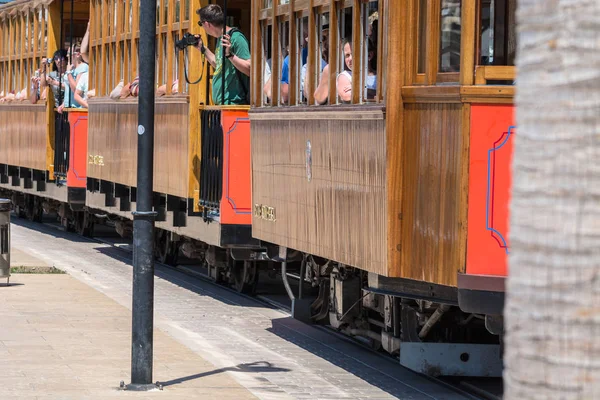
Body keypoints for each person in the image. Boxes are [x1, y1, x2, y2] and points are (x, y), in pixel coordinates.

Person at [194, 4, 251, 105]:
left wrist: (230, 56)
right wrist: (203, 48)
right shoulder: (221, 38)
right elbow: (219, 65)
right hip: (222, 105)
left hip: (234, 105)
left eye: (200, 23)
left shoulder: (236, 38)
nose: (202, 27)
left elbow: (250, 69)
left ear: (207, 24)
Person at [336, 38, 377, 103]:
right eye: (347, 55)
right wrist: (376, 93)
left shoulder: (380, 77)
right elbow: (348, 96)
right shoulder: (345, 76)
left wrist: (358, 88)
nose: (350, 59)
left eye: (354, 54)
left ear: (369, 55)